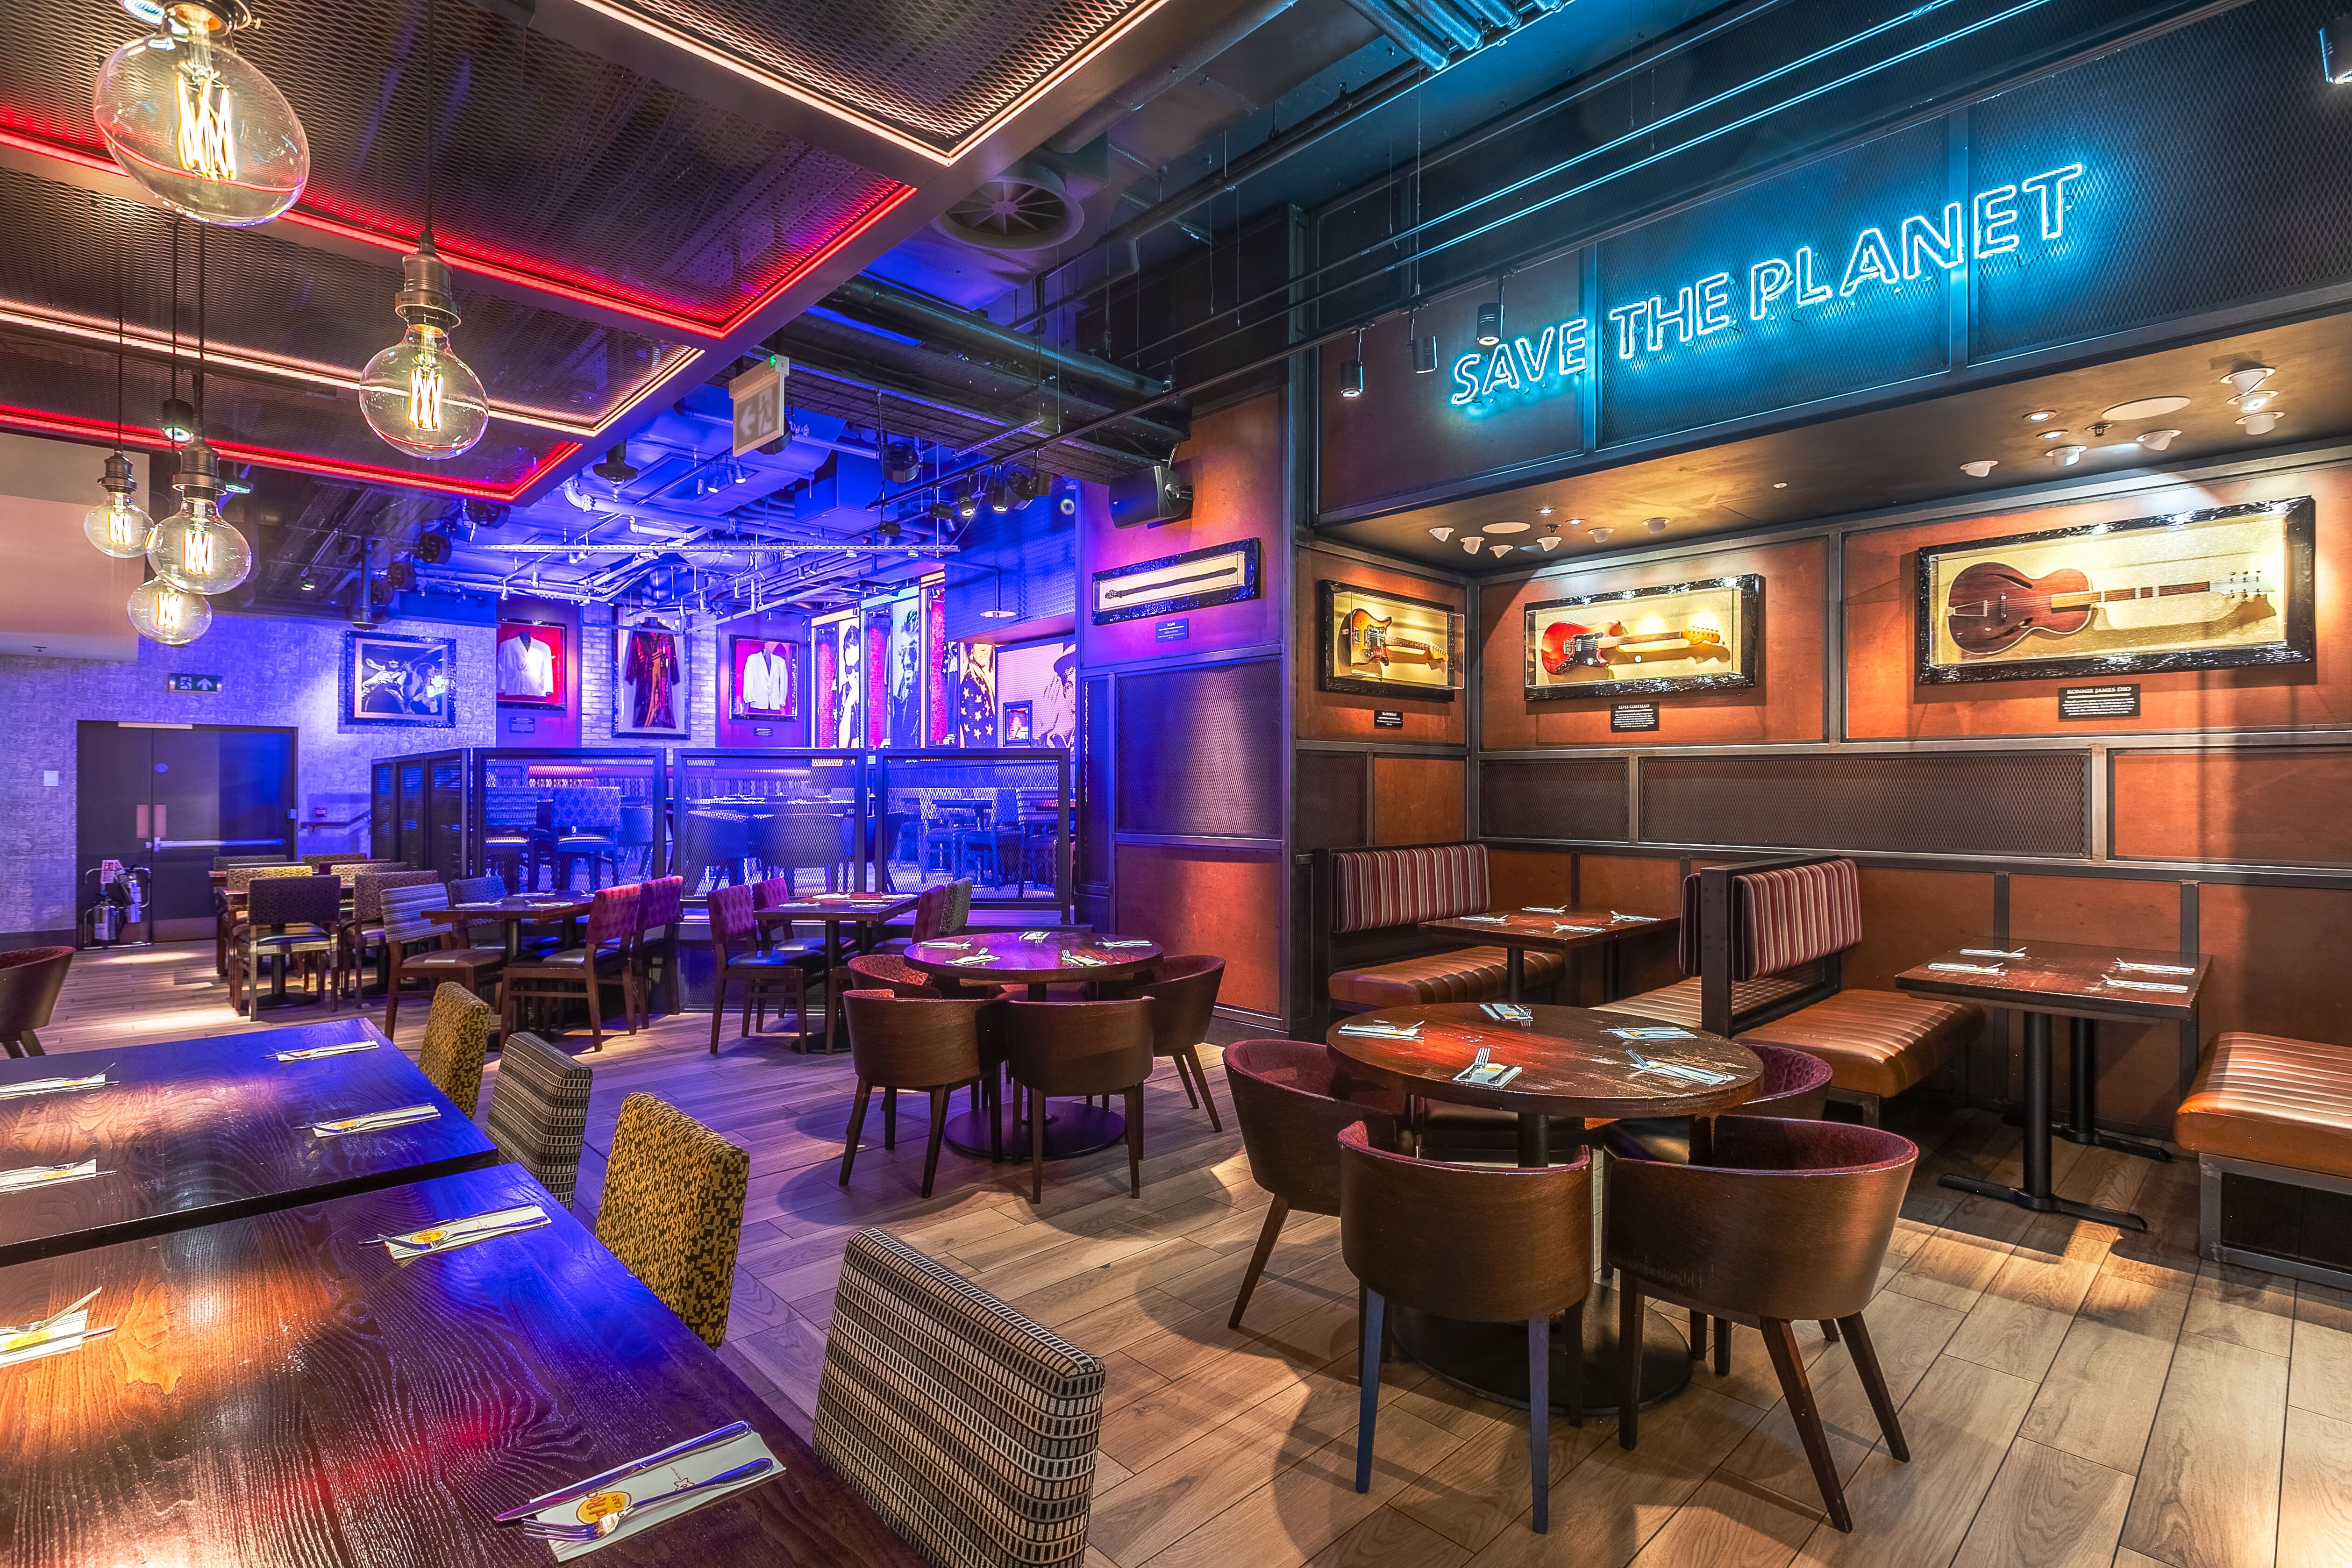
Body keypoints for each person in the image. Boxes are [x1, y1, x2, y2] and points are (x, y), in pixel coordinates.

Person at [498, 626, 556, 699]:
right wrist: (501, 686)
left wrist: (548, 688)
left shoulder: (544, 647)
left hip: (535, 688)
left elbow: (548, 669)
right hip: (513, 688)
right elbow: (501, 667)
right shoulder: (506, 645)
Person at [741, 641, 791, 713]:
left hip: (774, 703)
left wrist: (782, 700)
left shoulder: (781, 662)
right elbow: (748, 680)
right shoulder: (752, 659)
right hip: (757, 702)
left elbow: (784, 682)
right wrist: (750, 698)